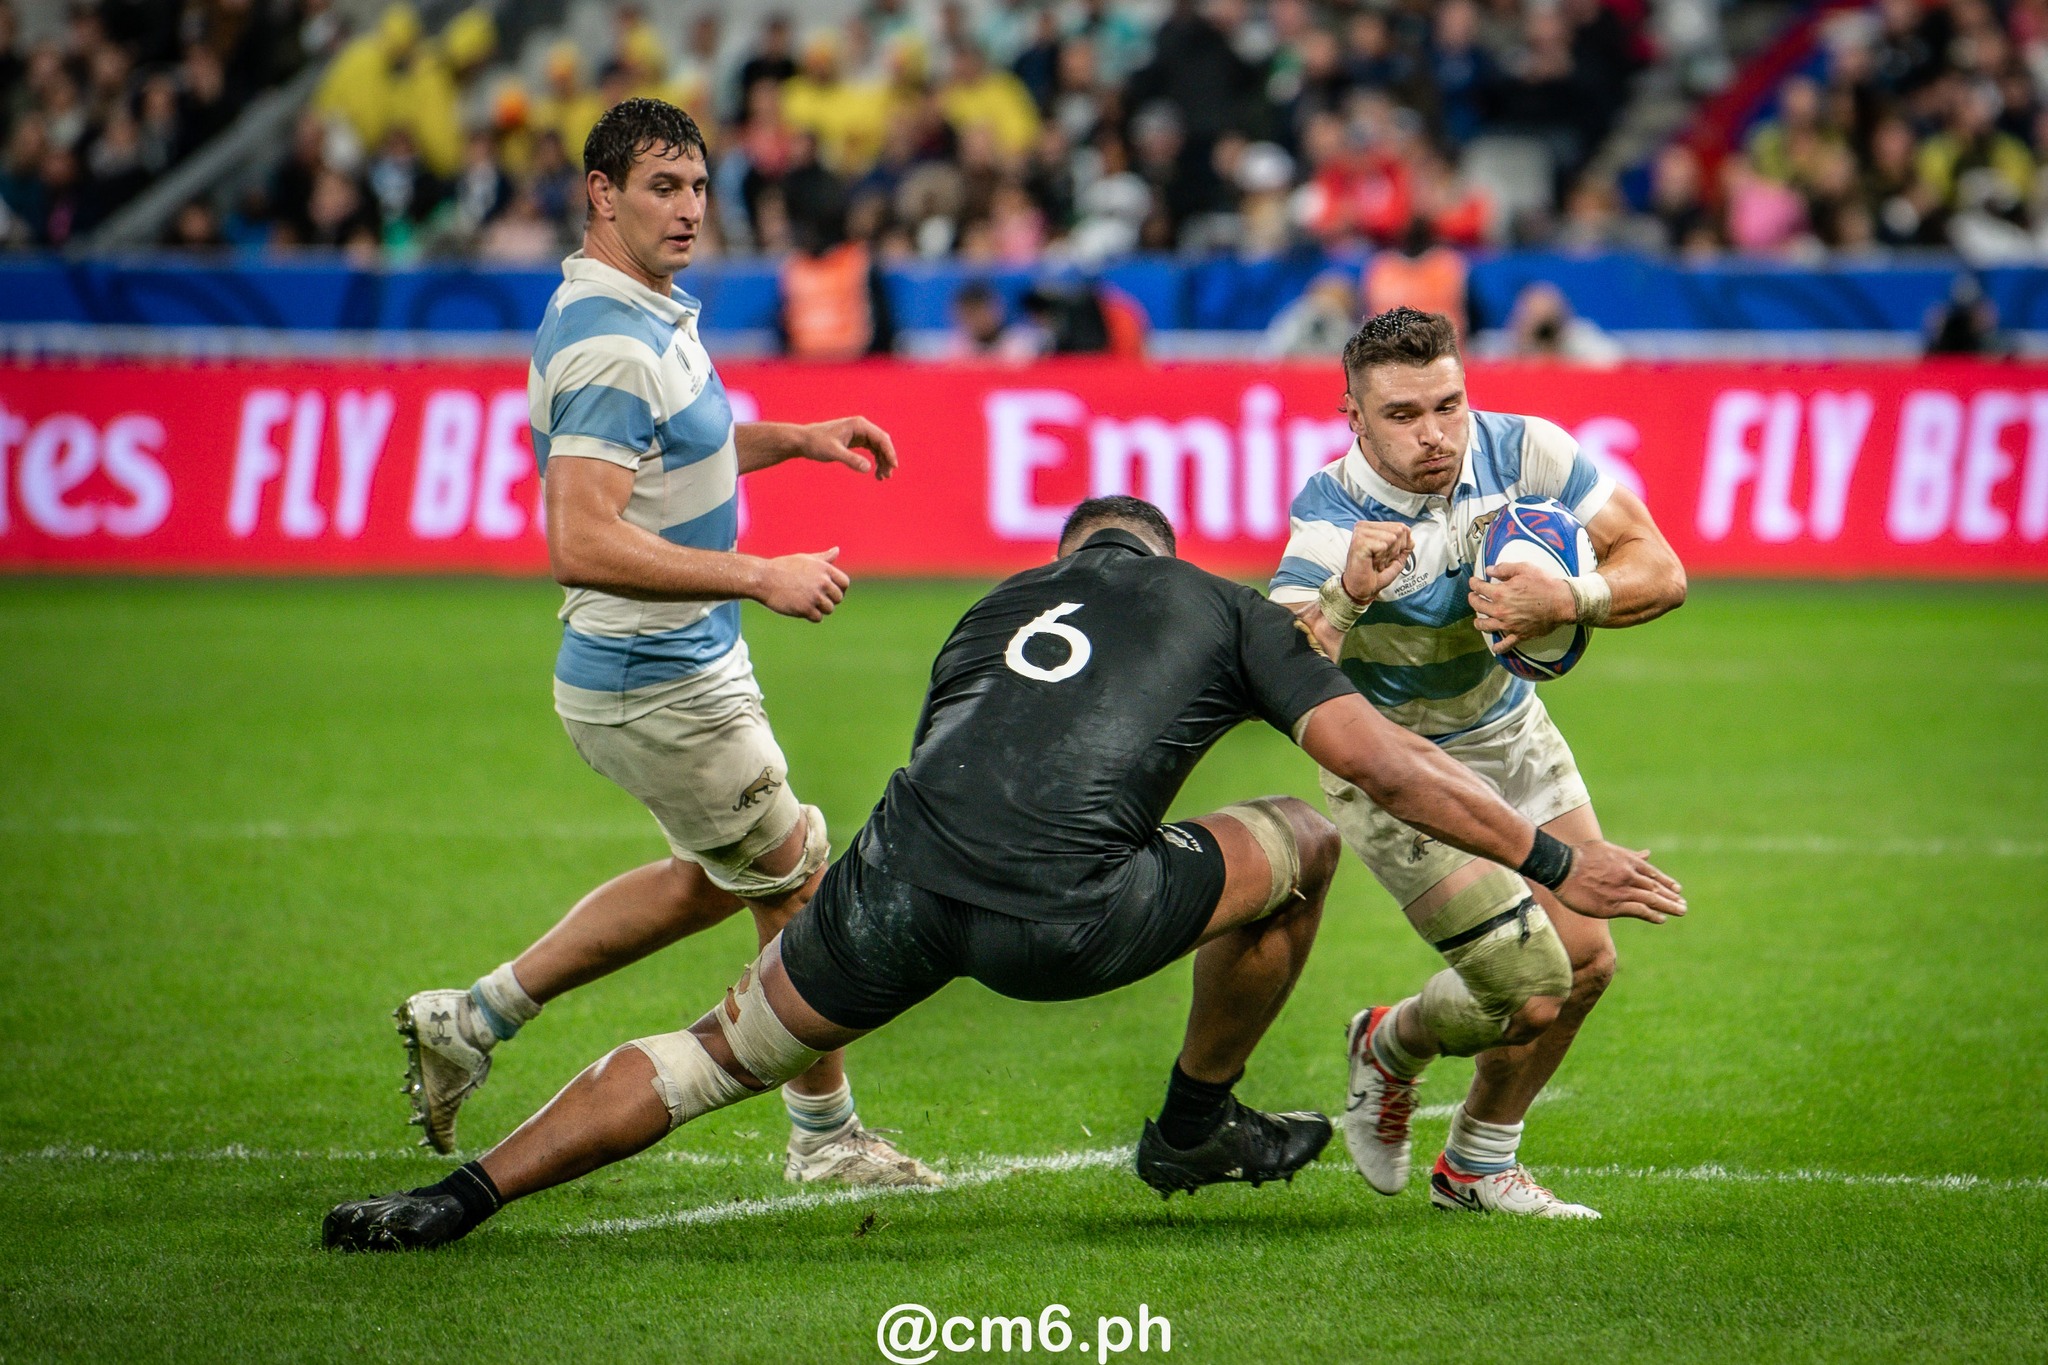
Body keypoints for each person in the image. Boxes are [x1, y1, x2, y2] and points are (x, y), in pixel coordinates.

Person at [324, 495, 1685, 1250]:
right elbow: (1381, 763)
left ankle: (460, 1197)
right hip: (1071, 914)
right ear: (1153, 550)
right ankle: (1194, 1124)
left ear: (1066, 558)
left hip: (900, 880)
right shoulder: (1219, 605)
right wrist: (1558, 853)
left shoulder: (992, 607)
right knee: (1308, 842)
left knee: (702, 1061)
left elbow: (966, 749)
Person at [391, 98, 938, 1192]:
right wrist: (760, 573)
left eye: (697, 187)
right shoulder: (604, 341)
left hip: (675, 663)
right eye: (662, 188)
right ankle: (825, 1140)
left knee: (715, 879)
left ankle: (473, 1015)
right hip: (660, 680)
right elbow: (580, 538)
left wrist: (799, 440)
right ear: (602, 194)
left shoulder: (640, 311)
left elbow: (678, 446)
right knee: (796, 887)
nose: (690, 209)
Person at [1271, 307, 1688, 1218]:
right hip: (1394, 764)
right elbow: (1286, 668)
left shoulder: (1527, 450)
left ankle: (1477, 1164)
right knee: (1530, 992)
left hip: (1506, 730)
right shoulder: (1330, 512)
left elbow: (1662, 567)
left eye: (1449, 405)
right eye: (1403, 414)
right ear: (1354, 418)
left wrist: (1569, 596)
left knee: (1588, 963)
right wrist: (1345, 597)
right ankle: (1391, 1046)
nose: (1435, 434)